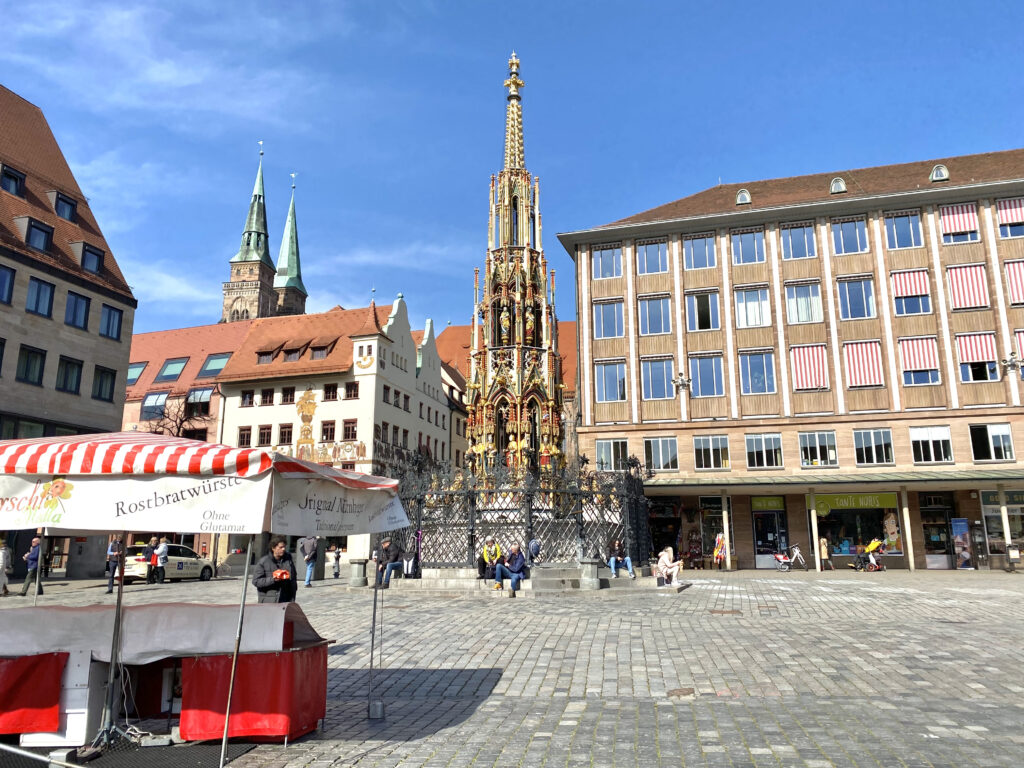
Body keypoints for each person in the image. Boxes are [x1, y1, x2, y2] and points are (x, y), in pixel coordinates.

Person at [253, 536, 297, 603]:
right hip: (269, 600)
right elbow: (256, 581)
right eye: (281, 547)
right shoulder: (263, 562)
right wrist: (273, 579)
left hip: (286, 599)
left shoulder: (288, 560)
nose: (283, 549)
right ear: (273, 548)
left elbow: (293, 577)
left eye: (284, 547)